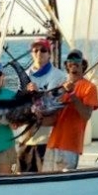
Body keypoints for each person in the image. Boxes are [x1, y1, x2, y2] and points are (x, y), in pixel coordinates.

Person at [43, 50, 98, 172]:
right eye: (70, 61)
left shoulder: (90, 87)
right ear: (67, 65)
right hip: (53, 144)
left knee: (64, 185)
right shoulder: (60, 87)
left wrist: (73, 95)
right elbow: (54, 119)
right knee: (46, 182)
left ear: (83, 65)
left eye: (77, 61)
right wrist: (38, 118)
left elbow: (86, 115)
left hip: (70, 146)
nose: (73, 64)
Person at [18, 39, 67, 173]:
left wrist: (38, 92)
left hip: (48, 141)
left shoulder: (60, 76)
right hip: (25, 139)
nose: (39, 53)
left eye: (43, 50)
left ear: (50, 54)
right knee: (25, 183)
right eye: (36, 50)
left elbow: (54, 105)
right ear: (32, 54)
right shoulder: (24, 76)